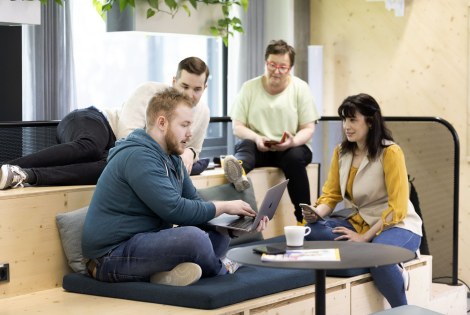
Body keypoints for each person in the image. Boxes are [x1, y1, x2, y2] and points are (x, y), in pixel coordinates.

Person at [81, 87, 269, 286]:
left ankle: (164, 275)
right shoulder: (138, 156)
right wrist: (223, 206)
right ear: (162, 122)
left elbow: (194, 204)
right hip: (110, 257)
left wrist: (233, 227)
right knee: (194, 239)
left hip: (145, 242)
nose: (190, 134)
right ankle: (221, 268)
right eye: (184, 125)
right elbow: (175, 210)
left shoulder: (173, 159)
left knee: (217, 232)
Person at [0, 57, 211, 190]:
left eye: (196, 89)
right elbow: (127, 137)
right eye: (184, 86)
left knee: (110, 167)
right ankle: (5, 168)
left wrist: (190, 153)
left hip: (113, 152)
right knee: (90, 147)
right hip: (96, 122)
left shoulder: (202, 113)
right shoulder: (149, 92)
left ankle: (23, 175)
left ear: (205, 88)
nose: (189, 94)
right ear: (173, 81)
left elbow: (194, 147)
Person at [302, 93, 422, 308]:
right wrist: (317, 213)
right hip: (359, 221)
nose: (346, 126)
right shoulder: (341, 152)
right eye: (344, 119)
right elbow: (331, 195)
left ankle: (402, 309)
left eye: (352, 120)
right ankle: (370, 252)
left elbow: (398, 208)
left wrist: (364, 237)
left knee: (378, 257)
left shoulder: (390, 152)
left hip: (398, 225)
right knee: (311, 231)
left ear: (370, 120)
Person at [226, 39, 320, 225]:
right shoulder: (249, 88)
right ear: (266, 63)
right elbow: (238, 126)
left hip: (290, 148)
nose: (277, 71)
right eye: (272, 65)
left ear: (290, 67)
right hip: (259, 146)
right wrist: (257, 137)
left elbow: (308, 128)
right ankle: (239, 172)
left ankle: (305, 219)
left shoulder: (300, 88)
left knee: (293, 157)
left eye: (283, 66)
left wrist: (292, 141)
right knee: (246, 146)